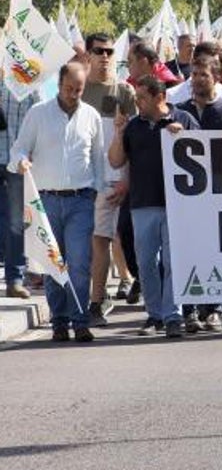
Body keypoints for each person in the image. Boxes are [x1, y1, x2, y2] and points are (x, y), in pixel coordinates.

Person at [7, 63, 107, 343]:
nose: (73, 94)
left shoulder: (91, 116)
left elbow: (98, 158)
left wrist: (97, 190)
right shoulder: (38, 113)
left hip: (80, 200)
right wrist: (21, 161)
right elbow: (19, 147)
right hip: (47, 201)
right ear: (59, 84)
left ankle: (80, 320)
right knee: (53, 264)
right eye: (68, 88)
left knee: (79, 263)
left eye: (79, 89)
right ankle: (59, 321)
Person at [108, 77, 198, 338]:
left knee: (172, 262)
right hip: (142, 204)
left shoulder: (184, 118)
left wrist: (185, 136)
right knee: (146, 262)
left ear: (160, 98)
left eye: (142, 98)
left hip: (177, 205)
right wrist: (119, 132)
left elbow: (206, 149)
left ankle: (172, 315)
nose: (137, 103)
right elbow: (115, 161)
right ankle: (154, 314)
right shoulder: (134, 126)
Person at [80, 33, 137, 327]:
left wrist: (127, 180)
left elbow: (134, 141)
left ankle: (151, 301)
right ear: (88, 55)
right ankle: (96, 300)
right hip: (85, 181)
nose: (105, 56)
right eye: (99, 51)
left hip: (116, 180)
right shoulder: (77, 89)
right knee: (97, 240)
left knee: (123, 240)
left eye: (110, 51)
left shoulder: (125, 92)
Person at [176, 53, 222, 332]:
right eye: (194, 75)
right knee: (189, 250)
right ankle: (190, 310)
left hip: (220, 193)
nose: (197, 80)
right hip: (187, 196)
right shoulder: (179, 112)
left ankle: (214, 310)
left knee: (216, 251)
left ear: (217, 78)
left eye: (203, 75)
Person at [0, 82, 35, 299]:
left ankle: (14, 280)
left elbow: (38, 126)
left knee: (15, 223)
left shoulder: (32, 88)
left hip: (15, 163)